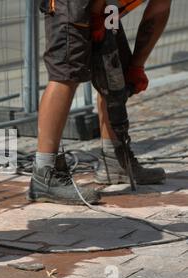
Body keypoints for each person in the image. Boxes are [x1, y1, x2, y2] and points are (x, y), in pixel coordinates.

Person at [28, 0, 171, 205]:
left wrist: (137, 66)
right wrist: (95, 15)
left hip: (105, 6)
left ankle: (115, 161)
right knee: (66, 74)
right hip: (72, 4)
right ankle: (44, 173)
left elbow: (159, 8)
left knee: (114, 71)